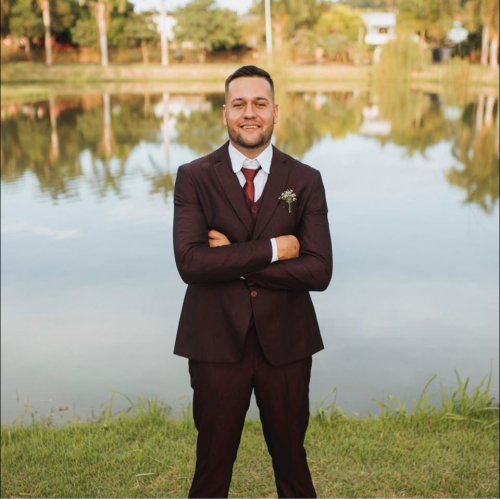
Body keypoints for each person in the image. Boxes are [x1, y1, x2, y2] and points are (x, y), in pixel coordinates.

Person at [173, 65, 332, 498]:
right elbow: (190, 263)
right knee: (212, 467)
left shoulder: (305, 180)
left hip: (287, 343)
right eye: (239, 104)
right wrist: (276, 248)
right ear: (225, 112)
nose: (249, 113)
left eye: (260, 103)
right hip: (215, 342)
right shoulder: (194, 177)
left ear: (275, 111)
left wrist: (228, 257)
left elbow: (319, 271)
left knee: (293, 464)